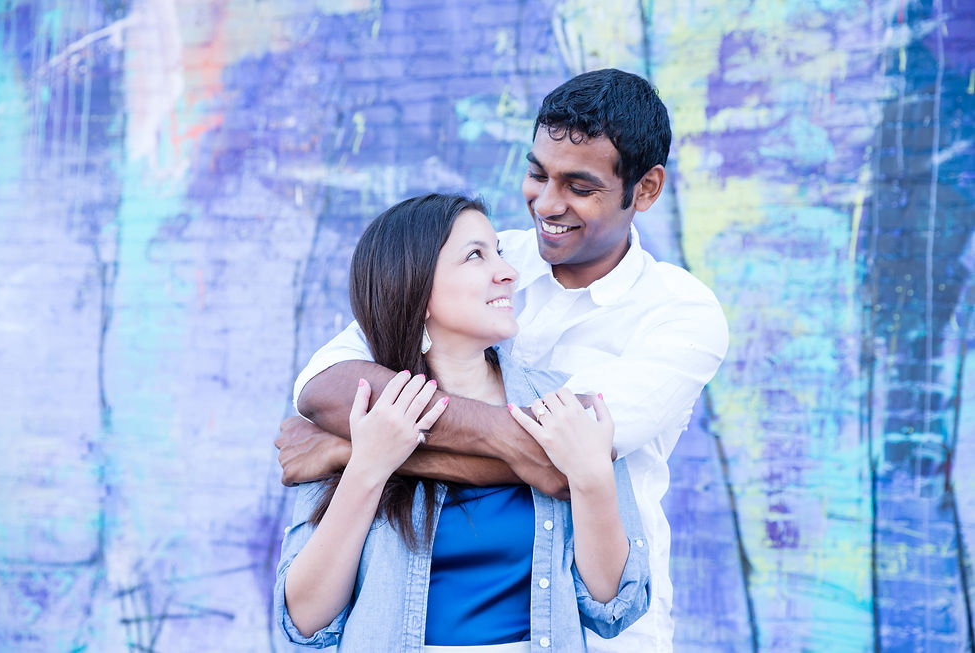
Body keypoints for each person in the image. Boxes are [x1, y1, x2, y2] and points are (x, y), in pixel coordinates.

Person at [278, 69, 729, 652]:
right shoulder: (496, 255)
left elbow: (566, 459)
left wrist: (354, 448)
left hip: (599, 632)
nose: (546, 202)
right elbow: (324, 385)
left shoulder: (681, 314)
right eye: (537, 173)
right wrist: (379, 453)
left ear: (644, 190)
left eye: (580, 187)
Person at [275, 193, 651, 651]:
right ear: (416, 288)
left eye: (499, 252)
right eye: (475, 255)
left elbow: (613, 605)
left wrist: (592, 479)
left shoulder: (560, 407)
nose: (508, 273)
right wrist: (366, 467)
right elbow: (305, 619)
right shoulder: (360, 413)